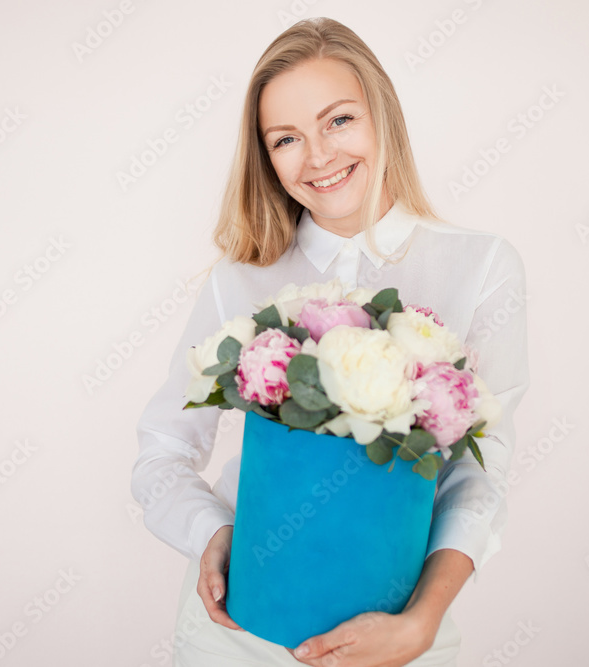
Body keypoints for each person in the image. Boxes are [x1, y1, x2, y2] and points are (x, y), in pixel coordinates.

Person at [131, 17, 530, 667]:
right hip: (238, 629)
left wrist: (422, 622)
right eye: (286, 137)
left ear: (382, 115)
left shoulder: (482, 266)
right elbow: (162, 448)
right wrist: (213, 532)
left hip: (399, 634)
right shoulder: (241, 277)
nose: (317, 155)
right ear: (266, 155)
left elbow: (480, 470)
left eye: (338, 120)